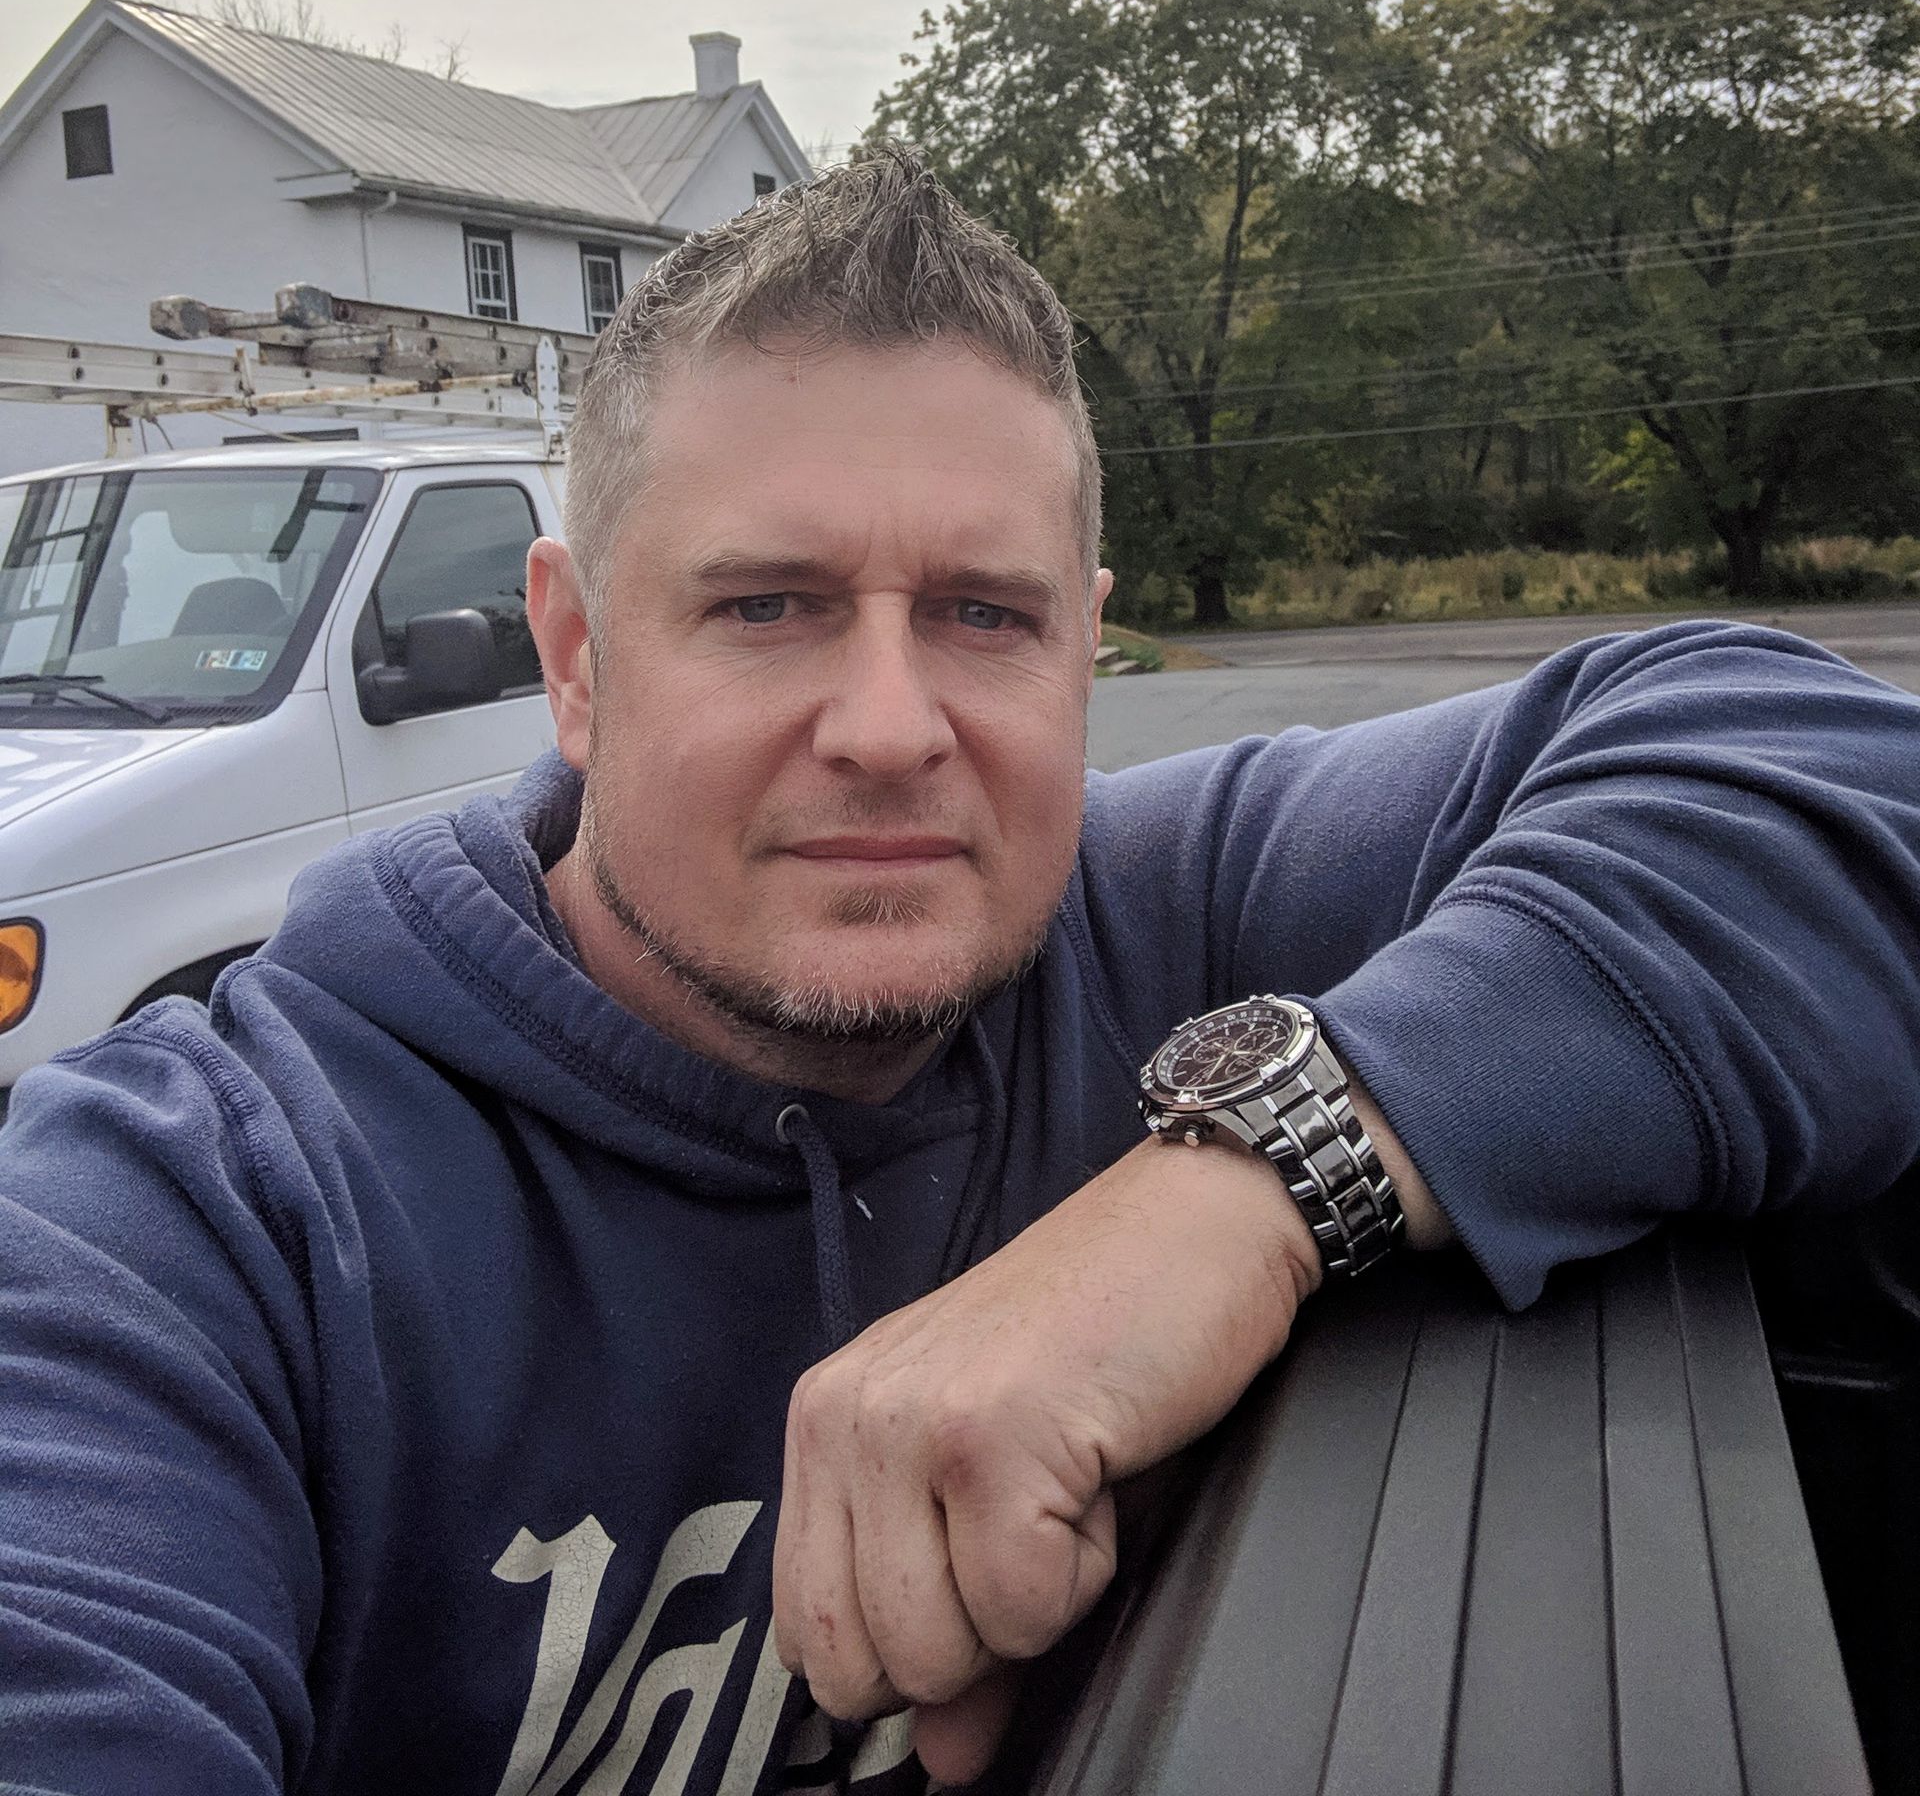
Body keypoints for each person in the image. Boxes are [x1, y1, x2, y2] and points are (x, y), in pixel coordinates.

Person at [2, 149, 1919, 1796]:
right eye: (770, 608)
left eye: (985, 618)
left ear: (1088, 650)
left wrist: (1252, 1183)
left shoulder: (1172, 922)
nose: (893, 724)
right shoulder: (185, 1226)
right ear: (576, 657)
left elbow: (1802, 758)